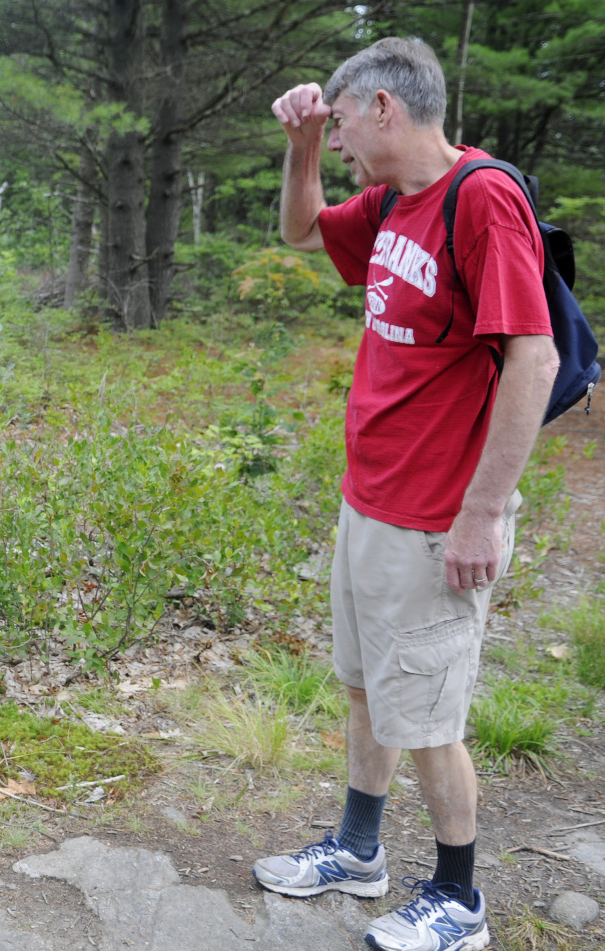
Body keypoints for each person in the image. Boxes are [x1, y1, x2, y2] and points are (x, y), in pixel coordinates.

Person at [251, 37, 559, 951]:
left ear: (384, 107)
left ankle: (459, 901)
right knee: (368, 692)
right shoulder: (392, 202)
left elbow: (532, 359)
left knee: (429, 719)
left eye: (342, 120)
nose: (340, 138)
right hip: (371, 498)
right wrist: (302, 143)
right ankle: (358, 848)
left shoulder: (482, 200)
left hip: (437, 515)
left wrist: (480, 511)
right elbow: (303, 233)